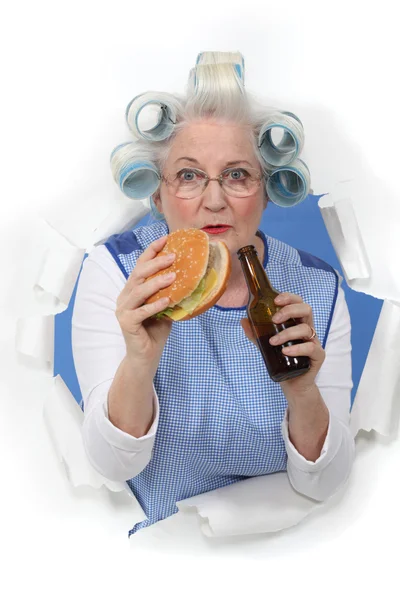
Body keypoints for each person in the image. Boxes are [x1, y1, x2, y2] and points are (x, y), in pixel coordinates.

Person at [71, 52, 355, 537]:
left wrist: (302, 391)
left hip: (280, 536)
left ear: (266, 192)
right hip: (164, 538)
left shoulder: (316, 287)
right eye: (188, 175)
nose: (215, 198)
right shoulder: (117, 274)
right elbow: (110, 466)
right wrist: (139, 361)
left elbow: (323, 483)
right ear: (157, 197)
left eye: (238, 174)